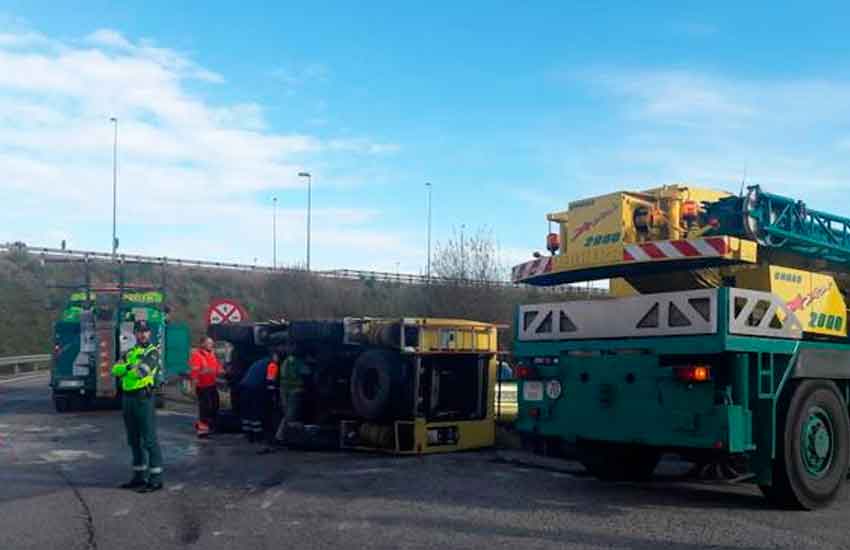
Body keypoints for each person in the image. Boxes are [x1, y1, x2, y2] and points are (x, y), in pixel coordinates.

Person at [111, 320, 164, 493]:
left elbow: (143, 371)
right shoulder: (130, 352)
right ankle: (138, 477)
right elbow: (114, 370)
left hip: (143, 398)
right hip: (128, 399)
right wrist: (128, 367)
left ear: (150, 333)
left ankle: (156, 479)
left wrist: (126, 370)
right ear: (135, 333)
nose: (143, 334)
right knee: (133, 440)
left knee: (149, 440)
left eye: (146, 331)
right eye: (140, 331)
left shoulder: (153, 352)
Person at [188, 336, 222, 437]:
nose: (211, 345)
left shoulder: (211, 354)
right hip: (202, 386)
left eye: (211, 343)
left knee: (215, 405)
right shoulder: (197, 355)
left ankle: (209, 426)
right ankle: (202, 431)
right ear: (202, 344)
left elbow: (216, 367)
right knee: (205, 408)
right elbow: (195, 372)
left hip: (211, 384)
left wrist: (222, 371)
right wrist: (193, 386)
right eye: (209, 343)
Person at [239, 356, 270, 442]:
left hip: (244, 386)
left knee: (247, 411)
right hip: (255, 388)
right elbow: (270, 381)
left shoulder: (258, 362)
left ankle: (248, 434)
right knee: (256, 411)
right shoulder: (271, 365)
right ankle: (258, 435)